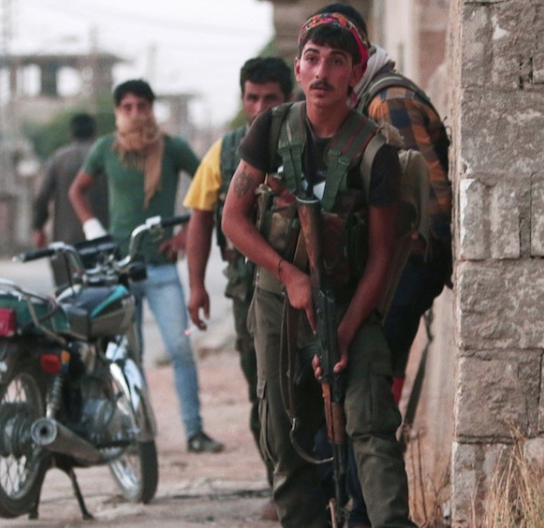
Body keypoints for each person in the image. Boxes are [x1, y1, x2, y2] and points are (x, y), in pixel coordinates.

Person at [221, 12, 415, 528]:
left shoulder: (375, 152)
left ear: (355, 74)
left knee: (372, 427)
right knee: (285, 435)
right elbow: (233, 220)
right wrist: (289, 274)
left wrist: (346, 335)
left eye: (337, 61)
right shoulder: (271, 128)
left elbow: (380, 256)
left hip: (351, 303)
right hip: (277, 305)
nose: (323, 71)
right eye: (312, 59)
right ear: (298, 68)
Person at [311, 6, 454, 527]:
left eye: (338, 57)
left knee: (366, 395)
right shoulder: (367, 102)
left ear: (359, 58)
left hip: (402, 271)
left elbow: (427, 204)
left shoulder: (388, 101)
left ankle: (365, 513)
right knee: (370, 392)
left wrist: (420, 272)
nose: (326, 73)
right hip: (393, 272)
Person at [68, 79, 224, 454]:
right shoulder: (106, 149)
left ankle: (194, 431)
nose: (135, 113)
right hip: (118, 269)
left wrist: (188, 230)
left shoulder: (171, 149)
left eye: (142, 105)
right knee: (127, 356)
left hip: (161, 269)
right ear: (118, 111)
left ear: (152, 109)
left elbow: (211, 184)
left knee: (180, 348)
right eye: (127, 106)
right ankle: (138, 435)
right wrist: (94, 230)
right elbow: (78, 191)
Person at [183, 56, 293, 514]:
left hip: (310, 286)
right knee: (263, 391)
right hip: (249, 293)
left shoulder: (309, 137)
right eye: (253, 97)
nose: (261, 106)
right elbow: (201, 217)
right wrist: (196, 286)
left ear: (289, 96)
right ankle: (282, 487)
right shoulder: (227, 152)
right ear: (242, 98)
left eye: (271, 98)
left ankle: (328, 486)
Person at [31, 113, 108, 287]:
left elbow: (42, 196)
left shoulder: (59, 158)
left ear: (71, 134)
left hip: (67, 242)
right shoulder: (106, 156)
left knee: (68, 296)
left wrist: (38, 227)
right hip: (104, 239)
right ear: (94, 133)